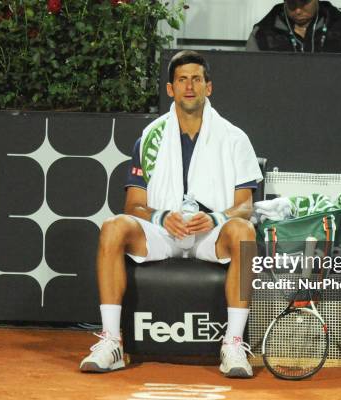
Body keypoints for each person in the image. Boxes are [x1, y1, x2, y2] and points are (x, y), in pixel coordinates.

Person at [79, 50, 263, 378]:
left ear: (209, 87)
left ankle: (233, 345)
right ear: (170, 89)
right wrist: (162, 217)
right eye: (182, 80)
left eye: (196, 79)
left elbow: (245, 206)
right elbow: (134, 205)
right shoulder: (149, 138)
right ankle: (111, 341)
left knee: (244, 233)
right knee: (112, 227)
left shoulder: (235, 138)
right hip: (164, 232)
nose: (189, 86)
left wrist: (217, 218)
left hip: (210, 234)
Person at [246, 0, 341, 54]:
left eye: (304, 3)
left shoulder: (340, 25)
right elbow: (251, 75)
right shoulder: (263, 32)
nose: (298, 10)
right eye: (292, 3)